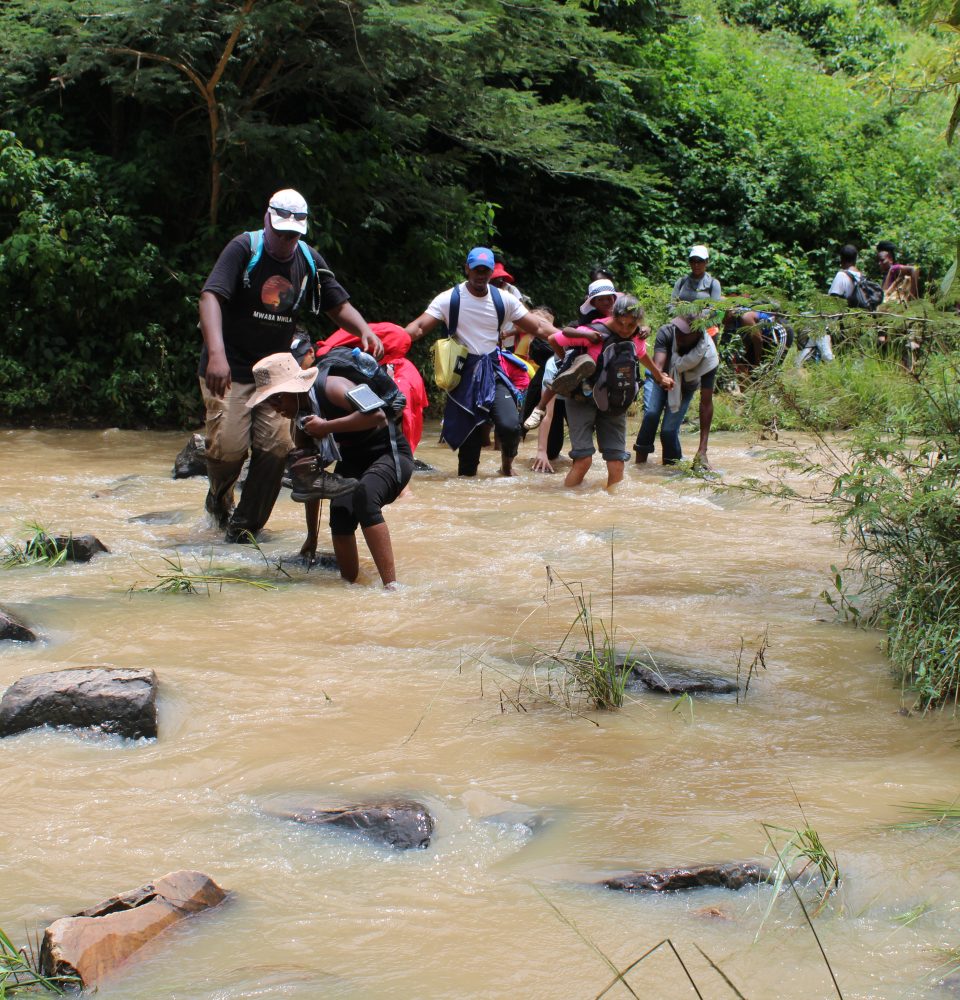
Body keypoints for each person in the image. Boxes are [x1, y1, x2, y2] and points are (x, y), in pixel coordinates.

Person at [199, 188, 383, 543]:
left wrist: (363, 329)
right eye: (281, 232)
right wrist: (216, 354)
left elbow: (336, 304)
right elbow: (211, 296)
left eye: (293, 235)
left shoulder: (308, 259)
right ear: (267, 220)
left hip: (275, 373)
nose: (286, 241)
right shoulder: (244, 248)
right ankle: (220, 499)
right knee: (229, 449)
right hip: (230, 366)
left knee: (276, 449)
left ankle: (245, 529)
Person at [246, 352, 413, 588]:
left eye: (276, 400)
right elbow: (311, 483)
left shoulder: (333, 386)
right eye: (268, 402)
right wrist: (312, 536)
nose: (274, 409)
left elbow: (376, 417)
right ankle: (350, 587)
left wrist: (326, 426)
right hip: (353, 458)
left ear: (293, 389)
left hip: (389, 453)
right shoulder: (301, 421)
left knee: (365, 496)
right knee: (340, 511)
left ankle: (392, 587)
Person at [405, 247, 558, 477]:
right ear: (467, 269)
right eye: (476, 269)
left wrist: (567, 338)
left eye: (485, 270)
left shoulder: (502, 300)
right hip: (462, 375)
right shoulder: (449, 299)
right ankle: (467, 493)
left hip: (493, 370)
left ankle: (506, 468)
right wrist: (388, 340)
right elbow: (417, 328)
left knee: (509, 426)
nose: (481, 275)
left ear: (491, 271)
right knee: (468, 452)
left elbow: (537, 326)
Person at [553, 295, 668, 488]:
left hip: (615, 401)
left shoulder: (635, 337)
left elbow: (642, 355)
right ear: (613, 315)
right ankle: (568, 504)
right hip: (582, 399)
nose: (625, 329)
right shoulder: (592, 332)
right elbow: (554, 338)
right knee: (583, 461)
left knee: (616, 463)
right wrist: (566, 361)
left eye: (630, 325)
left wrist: (660, 377)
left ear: (638, 323)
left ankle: (614, 510)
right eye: (621, 323)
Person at [633, 314, 718, 469]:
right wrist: (662, 377)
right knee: (651, 414)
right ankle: (639, 467)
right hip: (658, 378)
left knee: (668, 431)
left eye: (684, 333)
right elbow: (657, 367)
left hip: (685, 388)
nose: (678, 334)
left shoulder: (709, 357)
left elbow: (706, 404)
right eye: (678, 329)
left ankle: (671, 471)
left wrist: (702, 449)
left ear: (698, 334)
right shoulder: (667, 332)